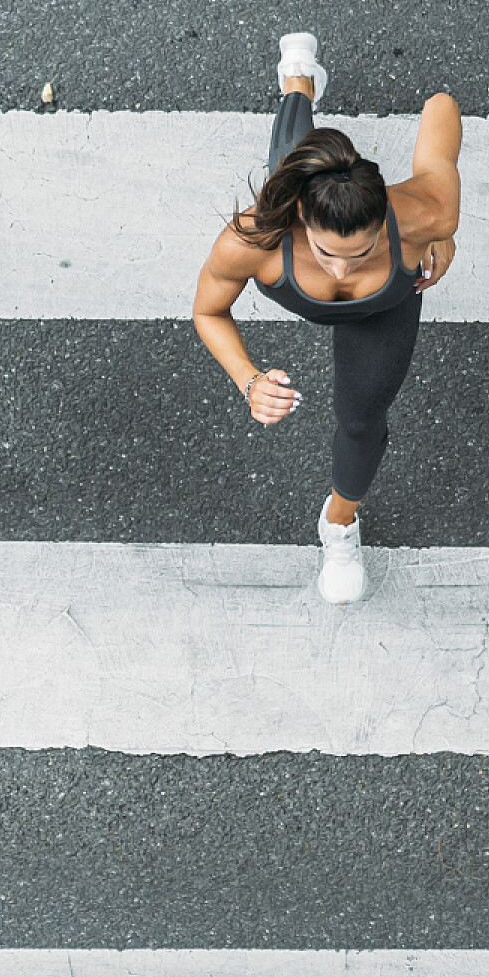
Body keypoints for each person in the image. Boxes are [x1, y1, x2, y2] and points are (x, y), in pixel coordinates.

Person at [191, 33, 462, 603]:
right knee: (290, 153)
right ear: (299, 221)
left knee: (363, 421)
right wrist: (249, 379)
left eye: (360, 253)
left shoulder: (423, 213)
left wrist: (445, 237)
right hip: (293, 196)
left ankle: (339, 524)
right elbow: (208, 309)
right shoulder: (255, 236)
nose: (340, 270)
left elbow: (442, 111)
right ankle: (297, 80)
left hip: (384, 309)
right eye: (325, 251)